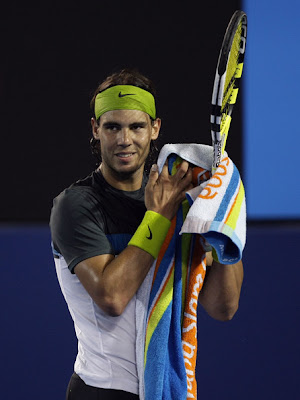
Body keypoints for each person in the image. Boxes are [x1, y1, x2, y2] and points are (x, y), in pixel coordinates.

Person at [50, 68, 243, 400]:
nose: (125, 139)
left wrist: (219, 223)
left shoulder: (184, 197)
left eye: (136, 126)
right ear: (96, 130)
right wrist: (158, 217)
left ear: (155, 128)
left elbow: (223, 308)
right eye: (113, 127)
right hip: (100, 392)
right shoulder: (75, 205)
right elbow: (112, 297)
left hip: (168, 389)